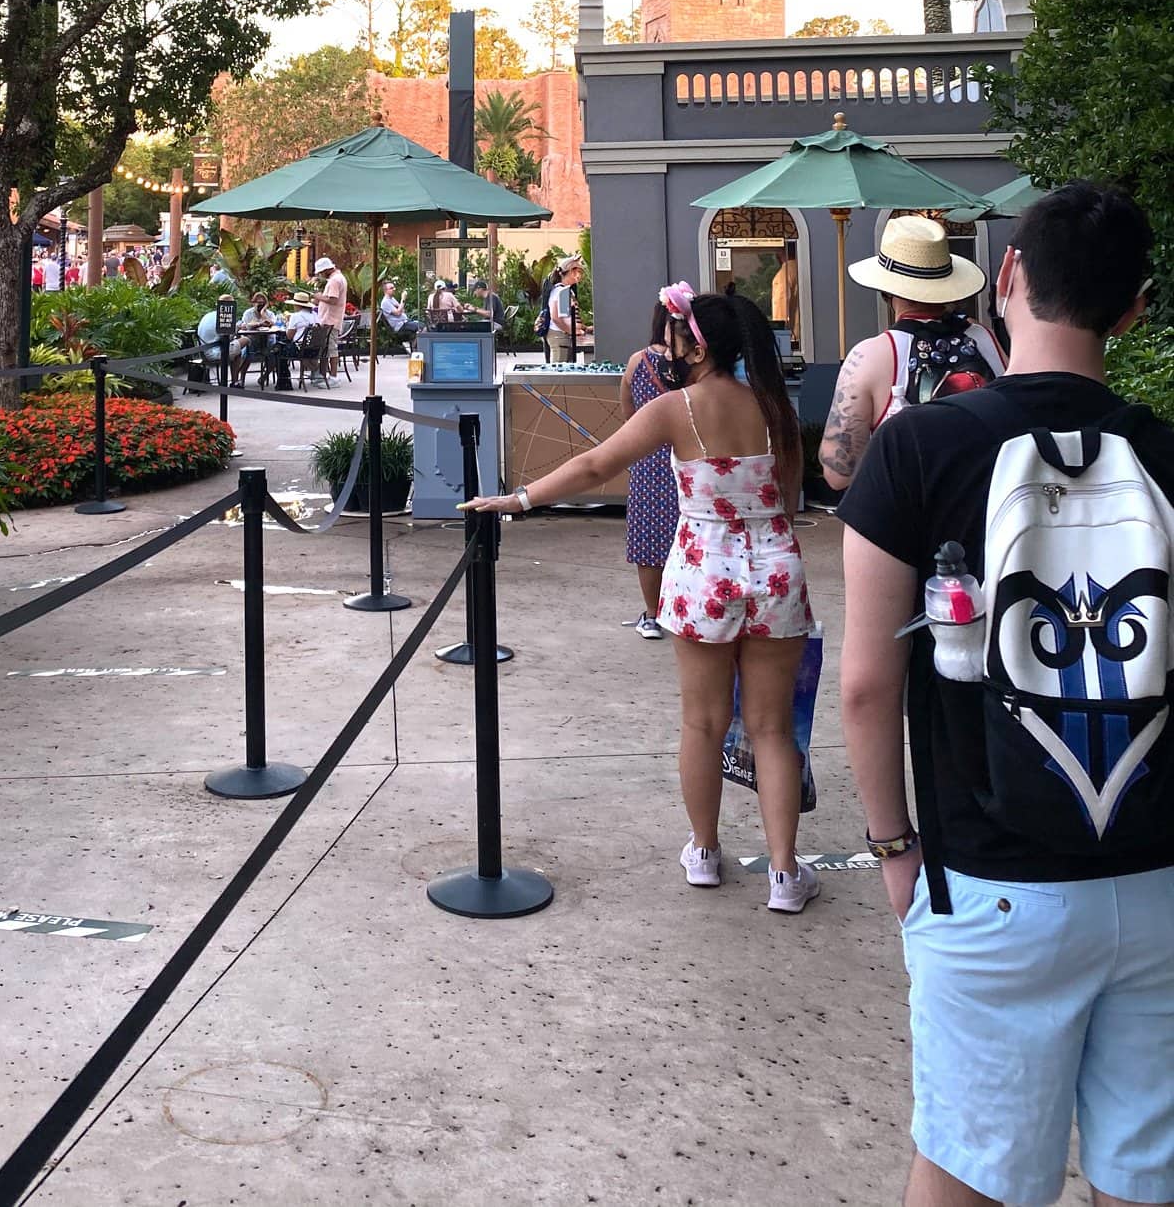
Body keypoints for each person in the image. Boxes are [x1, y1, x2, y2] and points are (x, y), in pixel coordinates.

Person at [838, 184, 1174, 1207]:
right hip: (1158, 873)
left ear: (1009, 276)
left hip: (985, 880)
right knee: (1144, 1173)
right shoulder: (1161, 452)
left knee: (968, 1176)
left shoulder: (920, 448)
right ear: (1135, 308)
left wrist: (895, 850)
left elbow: (863, 683)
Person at [468, 285, 817, 912]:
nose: (671, 344)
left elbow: (594, 467)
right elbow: (789, 497)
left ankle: (705, 853)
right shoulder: (775, 409)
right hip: (776, 572)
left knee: (703, 723)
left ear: (697, 344)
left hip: (705, 573)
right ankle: (786, 874)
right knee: (770, 728)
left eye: (679, 336)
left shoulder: (676, 408)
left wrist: (517, 499)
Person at [820, 215, 1006, 492]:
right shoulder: (985, 339)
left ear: (886, 288)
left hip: (912, 522)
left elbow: (838, 474)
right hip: (990, 518)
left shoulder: (870, 356)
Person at [619, 299, 676, 640]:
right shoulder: (693, 365)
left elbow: (628, 411)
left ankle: (652, 615)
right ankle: (683, 610)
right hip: (688, 457)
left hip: (648, 460)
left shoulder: (637, 362)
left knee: (649, 542)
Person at [313, 255, 347, 385]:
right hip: (331, 319)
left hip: (330, 320)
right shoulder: (339, 278)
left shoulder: (334, 281)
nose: (321, 275)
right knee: (328, 348)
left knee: (331, 349)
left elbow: (333, 299)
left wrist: (319, 297)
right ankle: (325, 375)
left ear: (326, 269)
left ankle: (333, 377)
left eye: (321, 272)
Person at [547, 255, 582, 363]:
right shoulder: (562, 292)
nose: (580, 275)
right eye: (578, 271)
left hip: (563, 337)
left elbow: (567, 316)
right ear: (571, 272)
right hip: (561, 337)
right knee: (559, 374)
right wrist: (571, 331)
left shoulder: (565, 291)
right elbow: (556, 317)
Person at [378, 280, 421, 350]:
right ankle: (415, 349)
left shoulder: (392, 299)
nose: (394, 289)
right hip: (400, 327)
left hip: (405, 323)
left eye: (394, 287)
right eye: (391, 288)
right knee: (421, 327)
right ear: (386, 291)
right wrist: (403, 299)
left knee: (422, 325)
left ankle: (415, 348)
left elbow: (402, 310)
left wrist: (400, 306)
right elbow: (398, 312)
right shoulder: (385, 302)